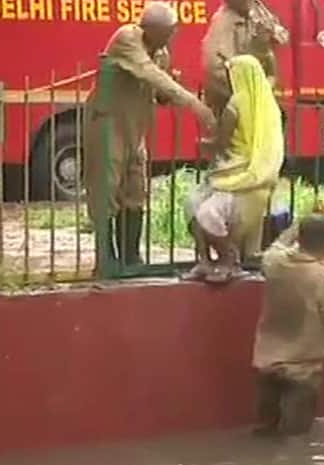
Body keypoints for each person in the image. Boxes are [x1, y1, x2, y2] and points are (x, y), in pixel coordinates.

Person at [83, 1, 214, 273]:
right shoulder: (127, 38)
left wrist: (171, 92)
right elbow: (150, 74)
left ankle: (130, 257)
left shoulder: (161, 53)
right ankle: (106, 260)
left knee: (135, 191)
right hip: (108, 126)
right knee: (106, 191)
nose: (174, 35)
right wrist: (193, 104)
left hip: (135, 129)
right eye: (170, 31)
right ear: (153, 30)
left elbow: (159, 89)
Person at [251, 214, 324, 436]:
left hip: (267, 362)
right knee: (296, 442)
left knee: (263, 433)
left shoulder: (275, 263)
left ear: (299, 236)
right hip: (302, 369)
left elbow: (276, 246)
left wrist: (293, 229)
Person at [187, 54, 284, 276]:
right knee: (200, 206)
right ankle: (215, 259)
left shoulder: (236, 103)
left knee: (200, 212)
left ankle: (225, 257)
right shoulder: (268, 102)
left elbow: (221, 143)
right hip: (261, 173)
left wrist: (203, 145)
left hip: (234, 174)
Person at [201, 0, 287, 120]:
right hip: (232, 105)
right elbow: (213, 67)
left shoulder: (254, 14)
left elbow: (278, 42)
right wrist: (245, 93)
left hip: (253, 98)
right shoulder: (223, 23)